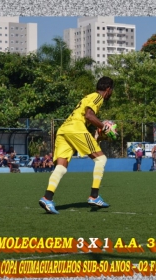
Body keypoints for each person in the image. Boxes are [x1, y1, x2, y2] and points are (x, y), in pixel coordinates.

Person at [39, 76, 115, 214]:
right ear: (108, 89)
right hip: (75, 127)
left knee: (61, 167)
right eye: (112, 91)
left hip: (64, 129)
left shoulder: (88, 97)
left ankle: (47, 198)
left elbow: (86, 118)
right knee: (101, 159)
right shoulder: (98, 97)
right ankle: (94, 196)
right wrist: (104, 127)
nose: (111, 93)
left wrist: (98, 134)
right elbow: (89, 115)